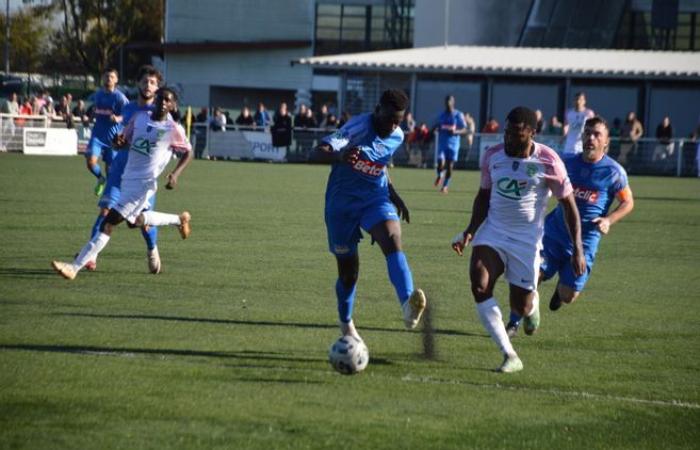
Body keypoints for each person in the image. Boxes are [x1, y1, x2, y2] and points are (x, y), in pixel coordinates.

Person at [451, 106, 584, 373]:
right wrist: (469, 231)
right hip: (494, 233)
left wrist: (578, 248)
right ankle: (510, 354)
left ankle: (532, 305)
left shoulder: (549, 161)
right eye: (507, 131)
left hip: (526, 241)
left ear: (532, 133)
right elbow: (483, 197)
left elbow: (569, 207)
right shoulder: (492, 156)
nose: (508, 138)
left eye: (516, 133)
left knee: (520, 306)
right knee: (479, 284)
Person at [308, 88, 427, 343]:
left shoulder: (396, 135)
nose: (392, 125)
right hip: (342, 204)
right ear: (377, 110)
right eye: (389, 119)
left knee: (393, 238)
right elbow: (316, 152)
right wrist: (339, 155)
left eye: (398, 120)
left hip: (375, 198)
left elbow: (380, 165)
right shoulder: (356, 128)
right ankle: (346, 322)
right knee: (349, 273)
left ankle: (408, 305)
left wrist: (393, 194)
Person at [505, 116, 634, 336]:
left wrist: (608, 220)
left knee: (568, 296)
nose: (590, 138)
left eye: (597, 134)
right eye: (588, 133)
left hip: (585, 243)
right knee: (529, 276)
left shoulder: (613, 173)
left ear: (606, 142)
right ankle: (513, 323)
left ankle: (561, 288)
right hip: (554, 234)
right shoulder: (566, 162)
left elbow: (628, 202)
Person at [52, 86, 193, 280]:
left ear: (172, 105)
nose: (162, 102)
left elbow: (188, 152)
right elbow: (125, 141)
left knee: (108, 223)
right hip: (127, 178)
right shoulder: (140, 118)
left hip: (143, 185)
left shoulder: (173, 129)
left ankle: (74, 267)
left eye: (167, 100)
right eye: (160, 98)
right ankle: (179, 219)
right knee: (136, 221)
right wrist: (118, 143)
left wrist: (175, 174)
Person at [82, 65, 164, 274]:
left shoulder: (160, 114)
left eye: (152, 82)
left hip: (143, 175)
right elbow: (122, 136)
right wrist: (119, 142)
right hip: (120, 170)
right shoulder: (127, 109)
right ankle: (91, 256)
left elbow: (158, 146)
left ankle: (152, 249)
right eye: (145, 81)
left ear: (157, 87)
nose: (148, 85)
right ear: (138, 84)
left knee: (141, 222)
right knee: (105, 212)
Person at [85, 69, 129, 197]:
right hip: (97, 135)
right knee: (90, 162)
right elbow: (95, 109)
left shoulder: (120, 97)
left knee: (110, 170)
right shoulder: (98, 94)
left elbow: (127, 115)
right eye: (106, 76)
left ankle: (110, 197)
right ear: (102, 79)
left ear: (116, 80)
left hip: (113, 139)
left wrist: (118, 118)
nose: (108, 79)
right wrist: (89, 119)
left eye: (111, 77)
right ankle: (100, 178)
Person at [431, 95, 467, 194]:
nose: (448, 103)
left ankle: (445, 186)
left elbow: (464, 130)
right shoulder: (442, 115)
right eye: (446, 101)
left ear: (453, 102)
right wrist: (435, 128)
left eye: (450, 101)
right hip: (443, 143)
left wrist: (456, 132)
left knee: (450, 166)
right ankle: (440, 174)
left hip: (454, 144)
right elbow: (437, 125)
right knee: (440, 163)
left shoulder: (458, 115)